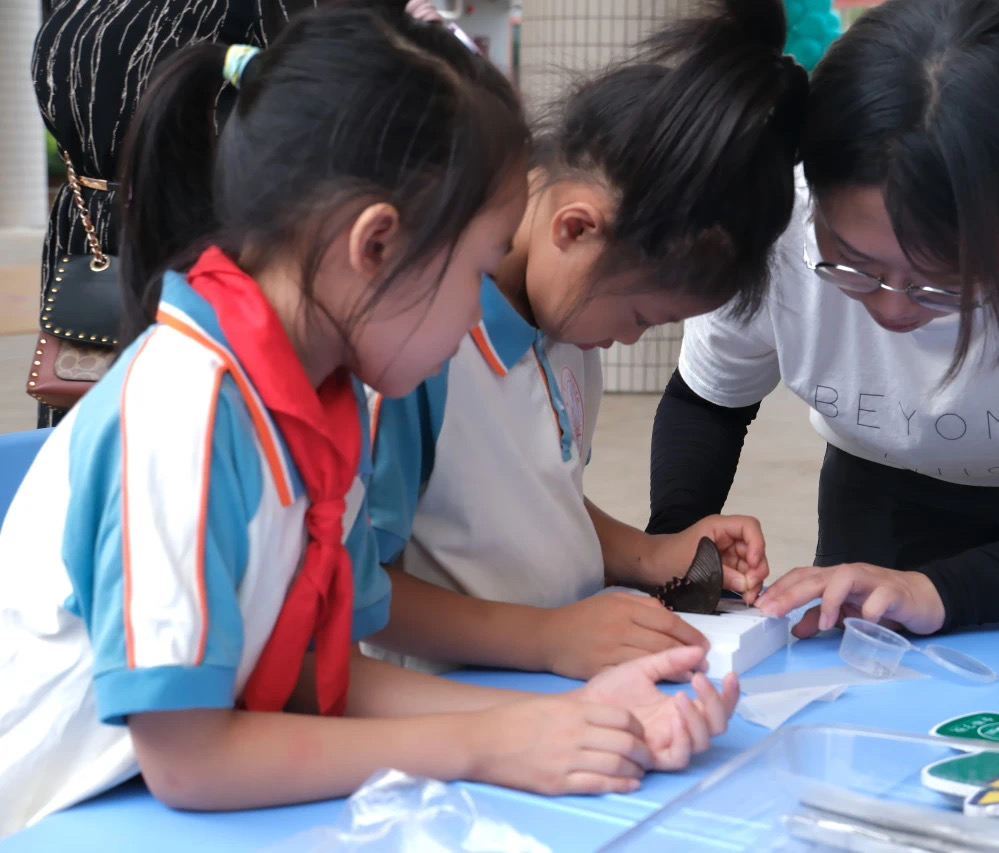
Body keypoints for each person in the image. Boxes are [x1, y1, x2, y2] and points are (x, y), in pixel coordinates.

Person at [0, 8, 736, 838]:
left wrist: (576, 716)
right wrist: (491, 741)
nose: (477, 314)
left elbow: (319, 672)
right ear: (375, 245)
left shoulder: (326, 400)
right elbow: (190, 759)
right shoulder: (184, 413)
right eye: (476, 269)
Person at [647, 0, 999, 704]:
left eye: (944, 283)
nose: (893, 308)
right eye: (853, 266)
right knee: (868, 724)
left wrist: (943, 589)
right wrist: (672, 556)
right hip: (881, 486)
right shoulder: (778, 200)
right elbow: (708, 400)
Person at [363, 0, 808, 679]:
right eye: (640, 316)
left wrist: (651, 554)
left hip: (550, 685)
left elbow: (540, 501)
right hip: (456, 698)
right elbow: (358, 589)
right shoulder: (420, 347)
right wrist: (545, 638)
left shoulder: (566, 328)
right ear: (576, 229)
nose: (627, 340)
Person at [30, 0, 322, 428]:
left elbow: (323, 92)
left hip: (200, 230)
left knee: (195, 427)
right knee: (79, 412)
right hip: (84, 219)